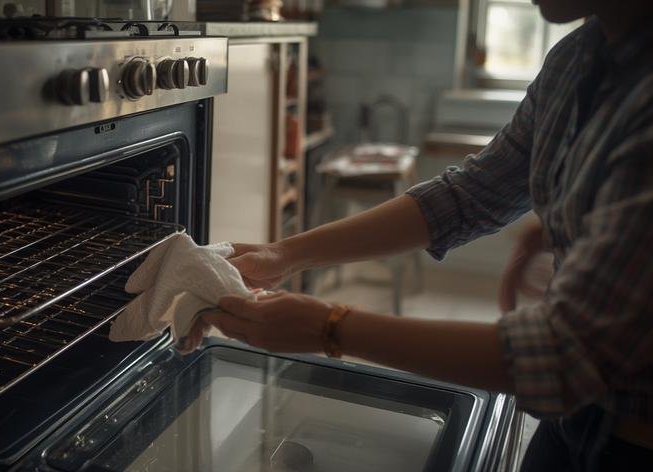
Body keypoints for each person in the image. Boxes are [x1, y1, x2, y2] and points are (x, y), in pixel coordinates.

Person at [183, 1, 653, 470]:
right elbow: (471, 194)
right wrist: (283, 253)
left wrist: (329, 327)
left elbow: (564, 357)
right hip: (569, 424)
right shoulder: (575, 58)